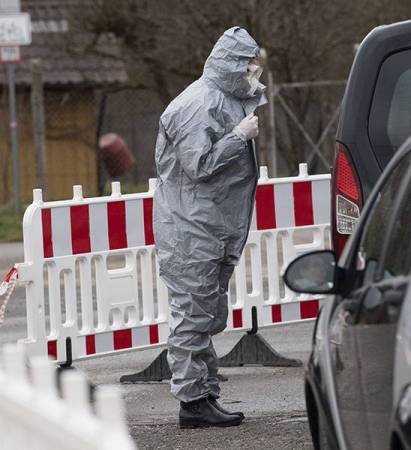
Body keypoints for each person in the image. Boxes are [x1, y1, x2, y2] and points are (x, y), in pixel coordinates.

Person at [153, 26, 266, 429]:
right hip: (191, 227)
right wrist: (238, 137)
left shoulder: (225, 98)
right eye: (250, 64)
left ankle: (205, 392)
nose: (255, 71)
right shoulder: (198, 104)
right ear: (232, 63)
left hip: (210, 224)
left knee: (205, 314)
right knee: (191, 315)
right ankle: (192, 402)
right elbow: (198, 164)